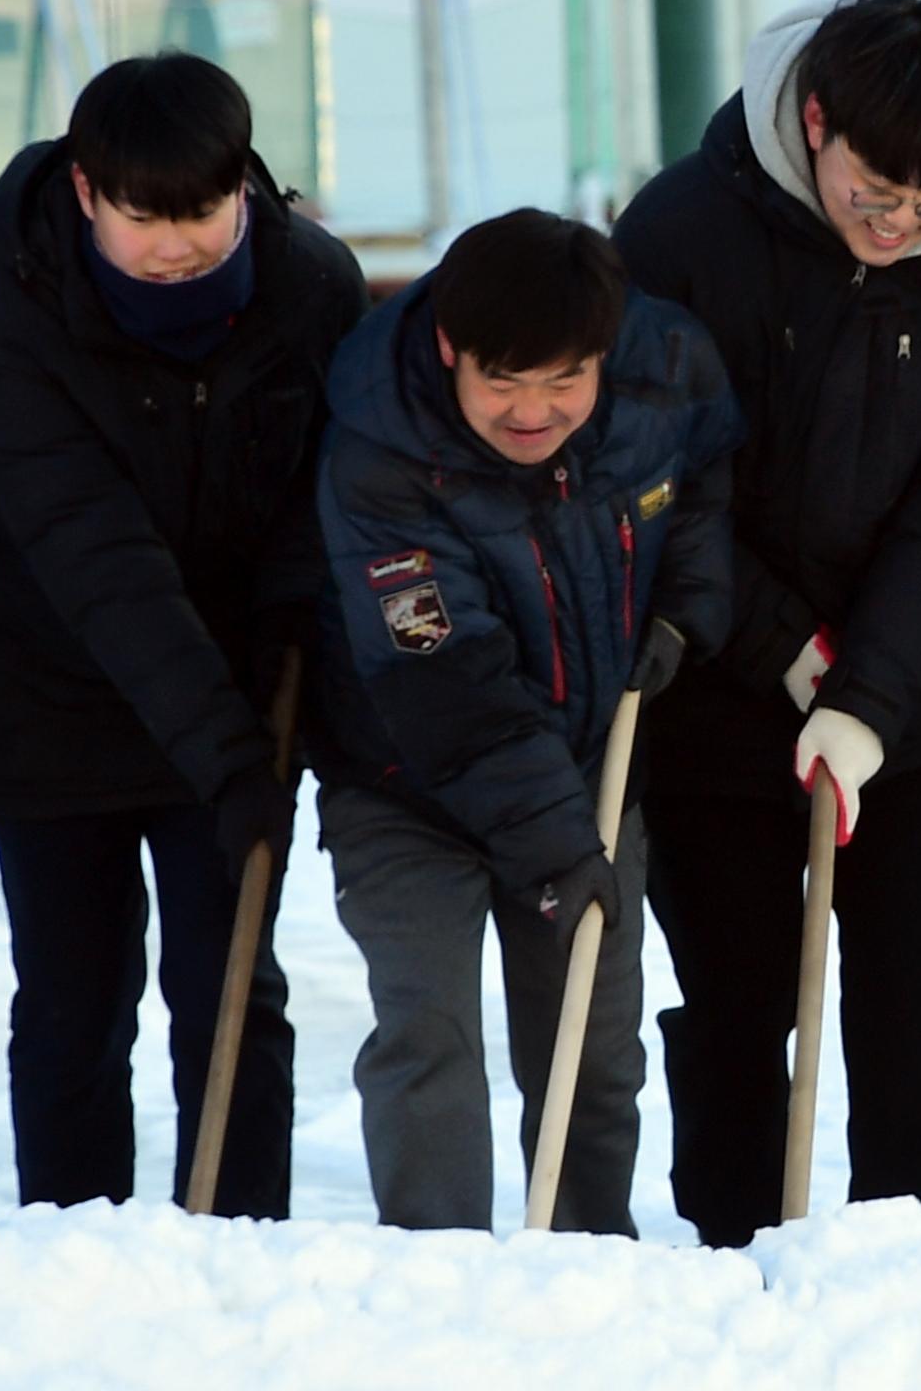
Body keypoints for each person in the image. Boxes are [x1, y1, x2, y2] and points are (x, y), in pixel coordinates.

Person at [612, 0, 921, 1248]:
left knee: (910, 981)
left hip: (911, 681)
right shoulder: (684, 228)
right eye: (879, 187)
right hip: (712, 671)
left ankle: (910, 1254)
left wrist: (869, 688)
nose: (904, 221)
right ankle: (737, 1248)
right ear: (816, 118)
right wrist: (781, 649)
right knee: (740, 990)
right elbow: (661, 480)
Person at [0, 54, 366, 1219]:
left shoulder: (312, 286)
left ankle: (239, 1256)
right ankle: (78, 1261)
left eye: (202, 211)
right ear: (87, 193)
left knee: (230, 988)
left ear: (246, 185)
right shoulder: (5, 304)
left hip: (238, 695)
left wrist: (284, 677)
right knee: (75, 999)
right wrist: (228, 753)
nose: (176, 243)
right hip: (50, 688)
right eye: (144, 216)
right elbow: (91, 550)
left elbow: (314, 503)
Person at [309, 209, 739, 1235]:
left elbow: (708, 480)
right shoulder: (378, 451)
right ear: (451, 346)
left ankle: (588, 1255)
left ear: (605, 350)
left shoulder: (663, 371)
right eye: (503, 380)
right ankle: (442, 1264)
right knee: (429, 1034)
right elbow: (441, 670)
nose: (534, 411)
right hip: (404, 778)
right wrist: (556, 841)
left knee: (592, 1043)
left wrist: (687, 604)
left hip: (591, 763)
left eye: (563, 380)